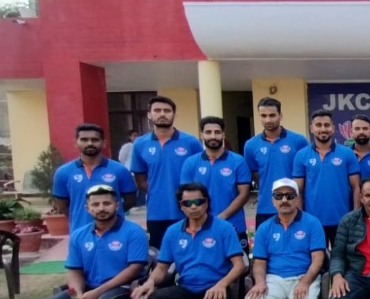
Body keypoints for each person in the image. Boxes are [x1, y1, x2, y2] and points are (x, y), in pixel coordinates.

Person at [242, 179, 327, 299]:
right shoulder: (265, 228)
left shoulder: (312, 223)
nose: (284, 200)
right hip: (273, 279)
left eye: (289, 196)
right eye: (279, 196)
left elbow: (318, 259)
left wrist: (305, 282)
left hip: (304, 277)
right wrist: (260, 282)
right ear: (273, 201)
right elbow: (259, 262)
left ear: (297, 199)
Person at [130, 96, 203, 250]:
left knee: (189, 253)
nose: (162, 114)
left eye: (167, 111)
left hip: (188, 210)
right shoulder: (140, 144)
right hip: (156, 213)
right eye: (157, 110)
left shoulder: (191, 142)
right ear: (149, 114)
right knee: (158, 255)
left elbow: (200, 177)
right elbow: (140, 179)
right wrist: (159, 192)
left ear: (174, 115)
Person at [181, 116, 253, 253]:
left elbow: (244, 194)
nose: (213, 136)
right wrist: (203, 218)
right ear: (202, 134)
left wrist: (222, 217)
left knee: (239, 264)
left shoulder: (238, 161)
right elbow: (186, 196)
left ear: (223, 134)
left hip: (233, 226)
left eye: (217, 132)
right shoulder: (190, 163)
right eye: (208, 132)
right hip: (200, 226)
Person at [52, 123, 137, 233]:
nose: (90, 143)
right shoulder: (63, 172)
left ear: (104, 143)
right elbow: (63, 206)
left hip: (115, 233)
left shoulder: (120, 170)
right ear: (76, 143)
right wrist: (82, 217)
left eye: (95, 140)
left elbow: (131, 201)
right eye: (84, 140)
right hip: (80, 234)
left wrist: (108, 214)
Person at [292, 110, 360, 245]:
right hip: (313, 222)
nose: (323, 129)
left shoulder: (347, 153)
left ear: (333, 128)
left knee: (342, 257)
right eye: (318, 125)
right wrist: (300, 218)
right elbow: (298, 190)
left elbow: (356, 187)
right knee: (317, 257)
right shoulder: (301, 155)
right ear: (311, 128)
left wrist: (355, 216)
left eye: (327, 125)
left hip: (343, 220)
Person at [244, 97, 309, 228]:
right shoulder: (251, 145)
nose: (268, 120)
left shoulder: (299, 141)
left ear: (281, 115)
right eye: (264, 116)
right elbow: (256, 176)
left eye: (272, 115)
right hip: (265, 208)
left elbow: (306, 176)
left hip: (294, 207)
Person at [350, 114, 370, 180]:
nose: (361, 132)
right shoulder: (344, 155)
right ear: (351, 132)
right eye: (357, 129)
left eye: (365, 128)